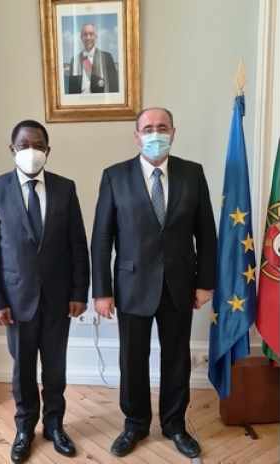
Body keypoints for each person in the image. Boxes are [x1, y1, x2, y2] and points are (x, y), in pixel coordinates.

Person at [90, 107, 217, 459]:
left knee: (176, 358)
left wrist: (205, 282)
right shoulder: (114, 176)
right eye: (148, 128)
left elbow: (207, 233)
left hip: (180, 285)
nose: (155, 133)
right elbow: (101, 238)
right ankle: (135, 424)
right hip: (131, 286)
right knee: (132, 359)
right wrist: (102, 291)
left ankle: (174, 425)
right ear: (137, 136)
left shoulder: (192, 173)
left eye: (162, 127)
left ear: (173, 133)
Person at [0, 119, 90, 463]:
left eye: (38, 145)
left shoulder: (65, 188)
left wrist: (79, 292)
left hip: (58, 299)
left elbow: (78, 246)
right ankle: (25, 428)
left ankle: (54, 425)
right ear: (12, 149)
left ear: (48, 150)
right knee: (23, 369)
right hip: (15, 301)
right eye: (24, 145)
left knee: (55, 369)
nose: (31, 151)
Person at [68, 23, 119, 94]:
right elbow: (71, 90)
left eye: (91, 34)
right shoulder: (74, 60)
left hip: (101, 100)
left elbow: (114, 88)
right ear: (81, 37)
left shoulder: (107, 57)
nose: (88, 37)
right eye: (85, 34)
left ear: (96, 37)